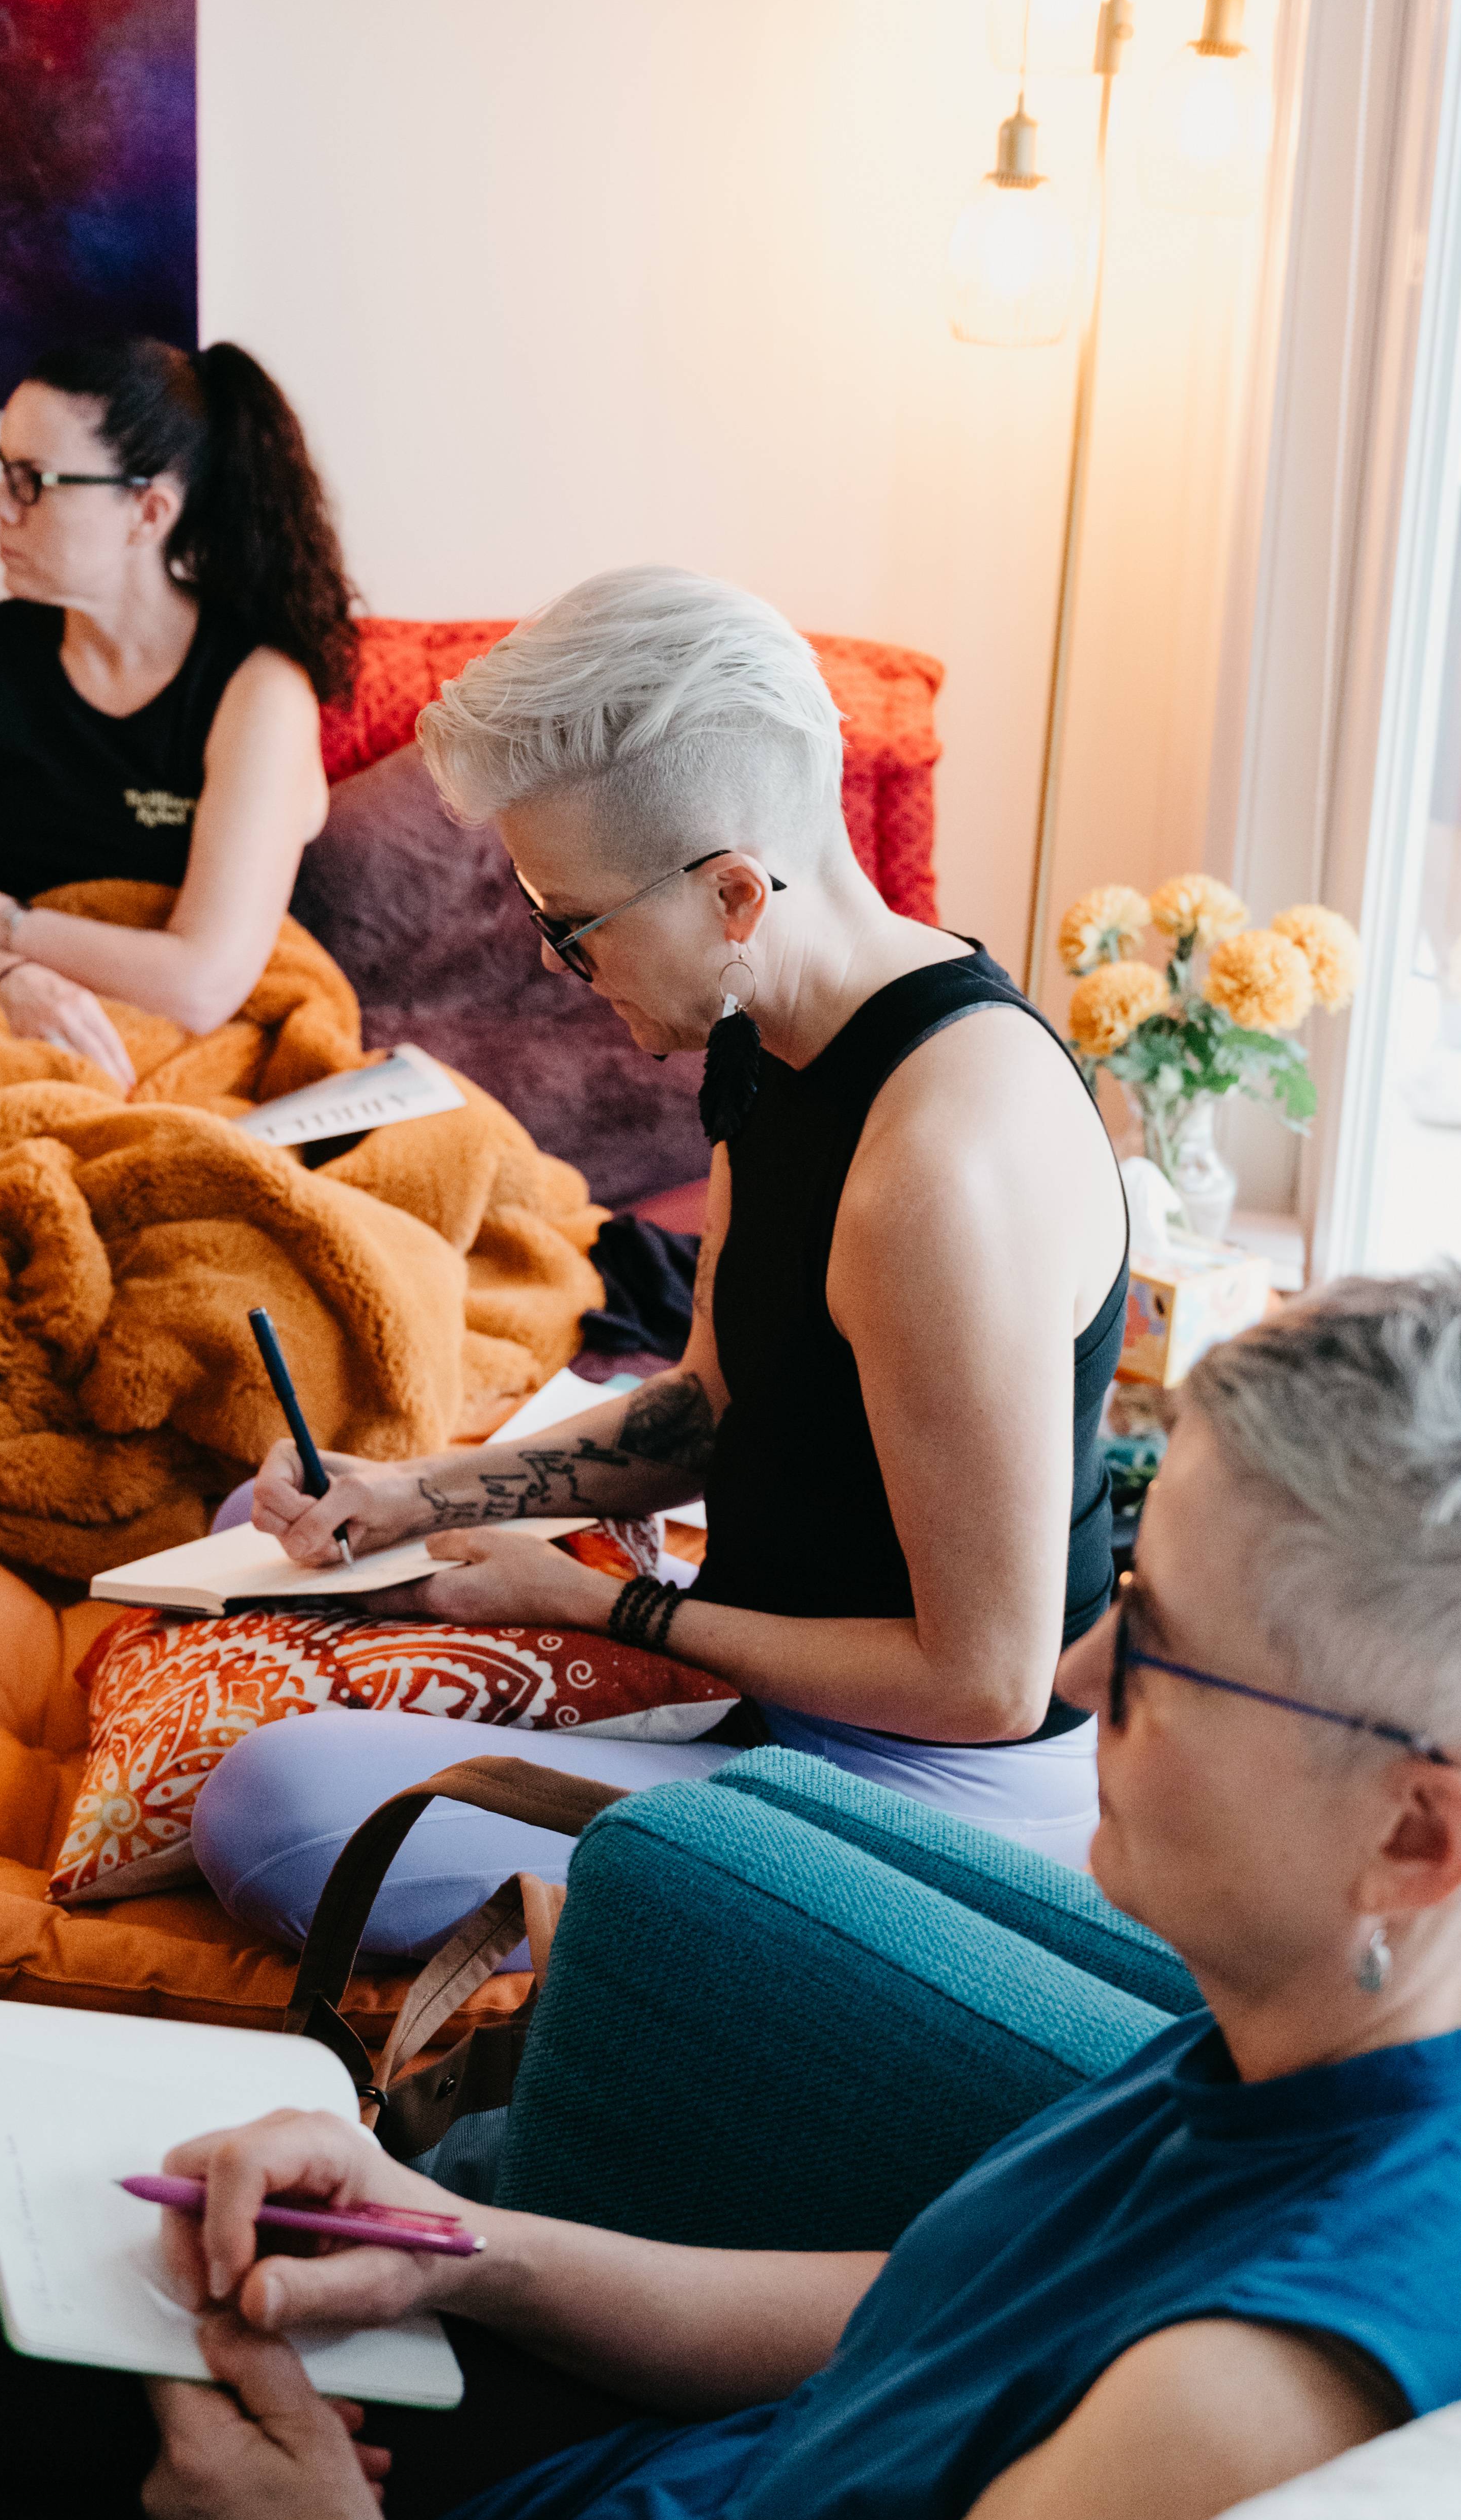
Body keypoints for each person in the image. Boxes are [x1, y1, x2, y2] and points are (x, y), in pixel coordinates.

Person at [0, 1270, 1461, 2520]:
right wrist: (461, 2241)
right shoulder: (1415, 2023)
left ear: (1425, 1834)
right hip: (595, 2518)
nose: (1070, 1681)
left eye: (1149, 1643)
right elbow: (951, 2314)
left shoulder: (1247, 2422)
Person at [194, 563, 1129, 1942]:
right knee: (265, 1533)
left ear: (737, 893)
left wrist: (600, 1607)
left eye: (571, 929)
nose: (562, 973)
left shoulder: (937, 1172)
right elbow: (710, 1407)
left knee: (276, 1807)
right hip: (808, 1702)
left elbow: (987, 1679)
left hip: (938, 1792)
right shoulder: (776, 1043)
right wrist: (421, 1496)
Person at [0, 335, 354, 1087]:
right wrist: (14, 981)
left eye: (32, 480)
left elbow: (203, 985)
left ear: (148, 511)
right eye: (3, 470)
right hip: (7, 1026)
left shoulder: (258, 690)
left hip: (188, 1050)